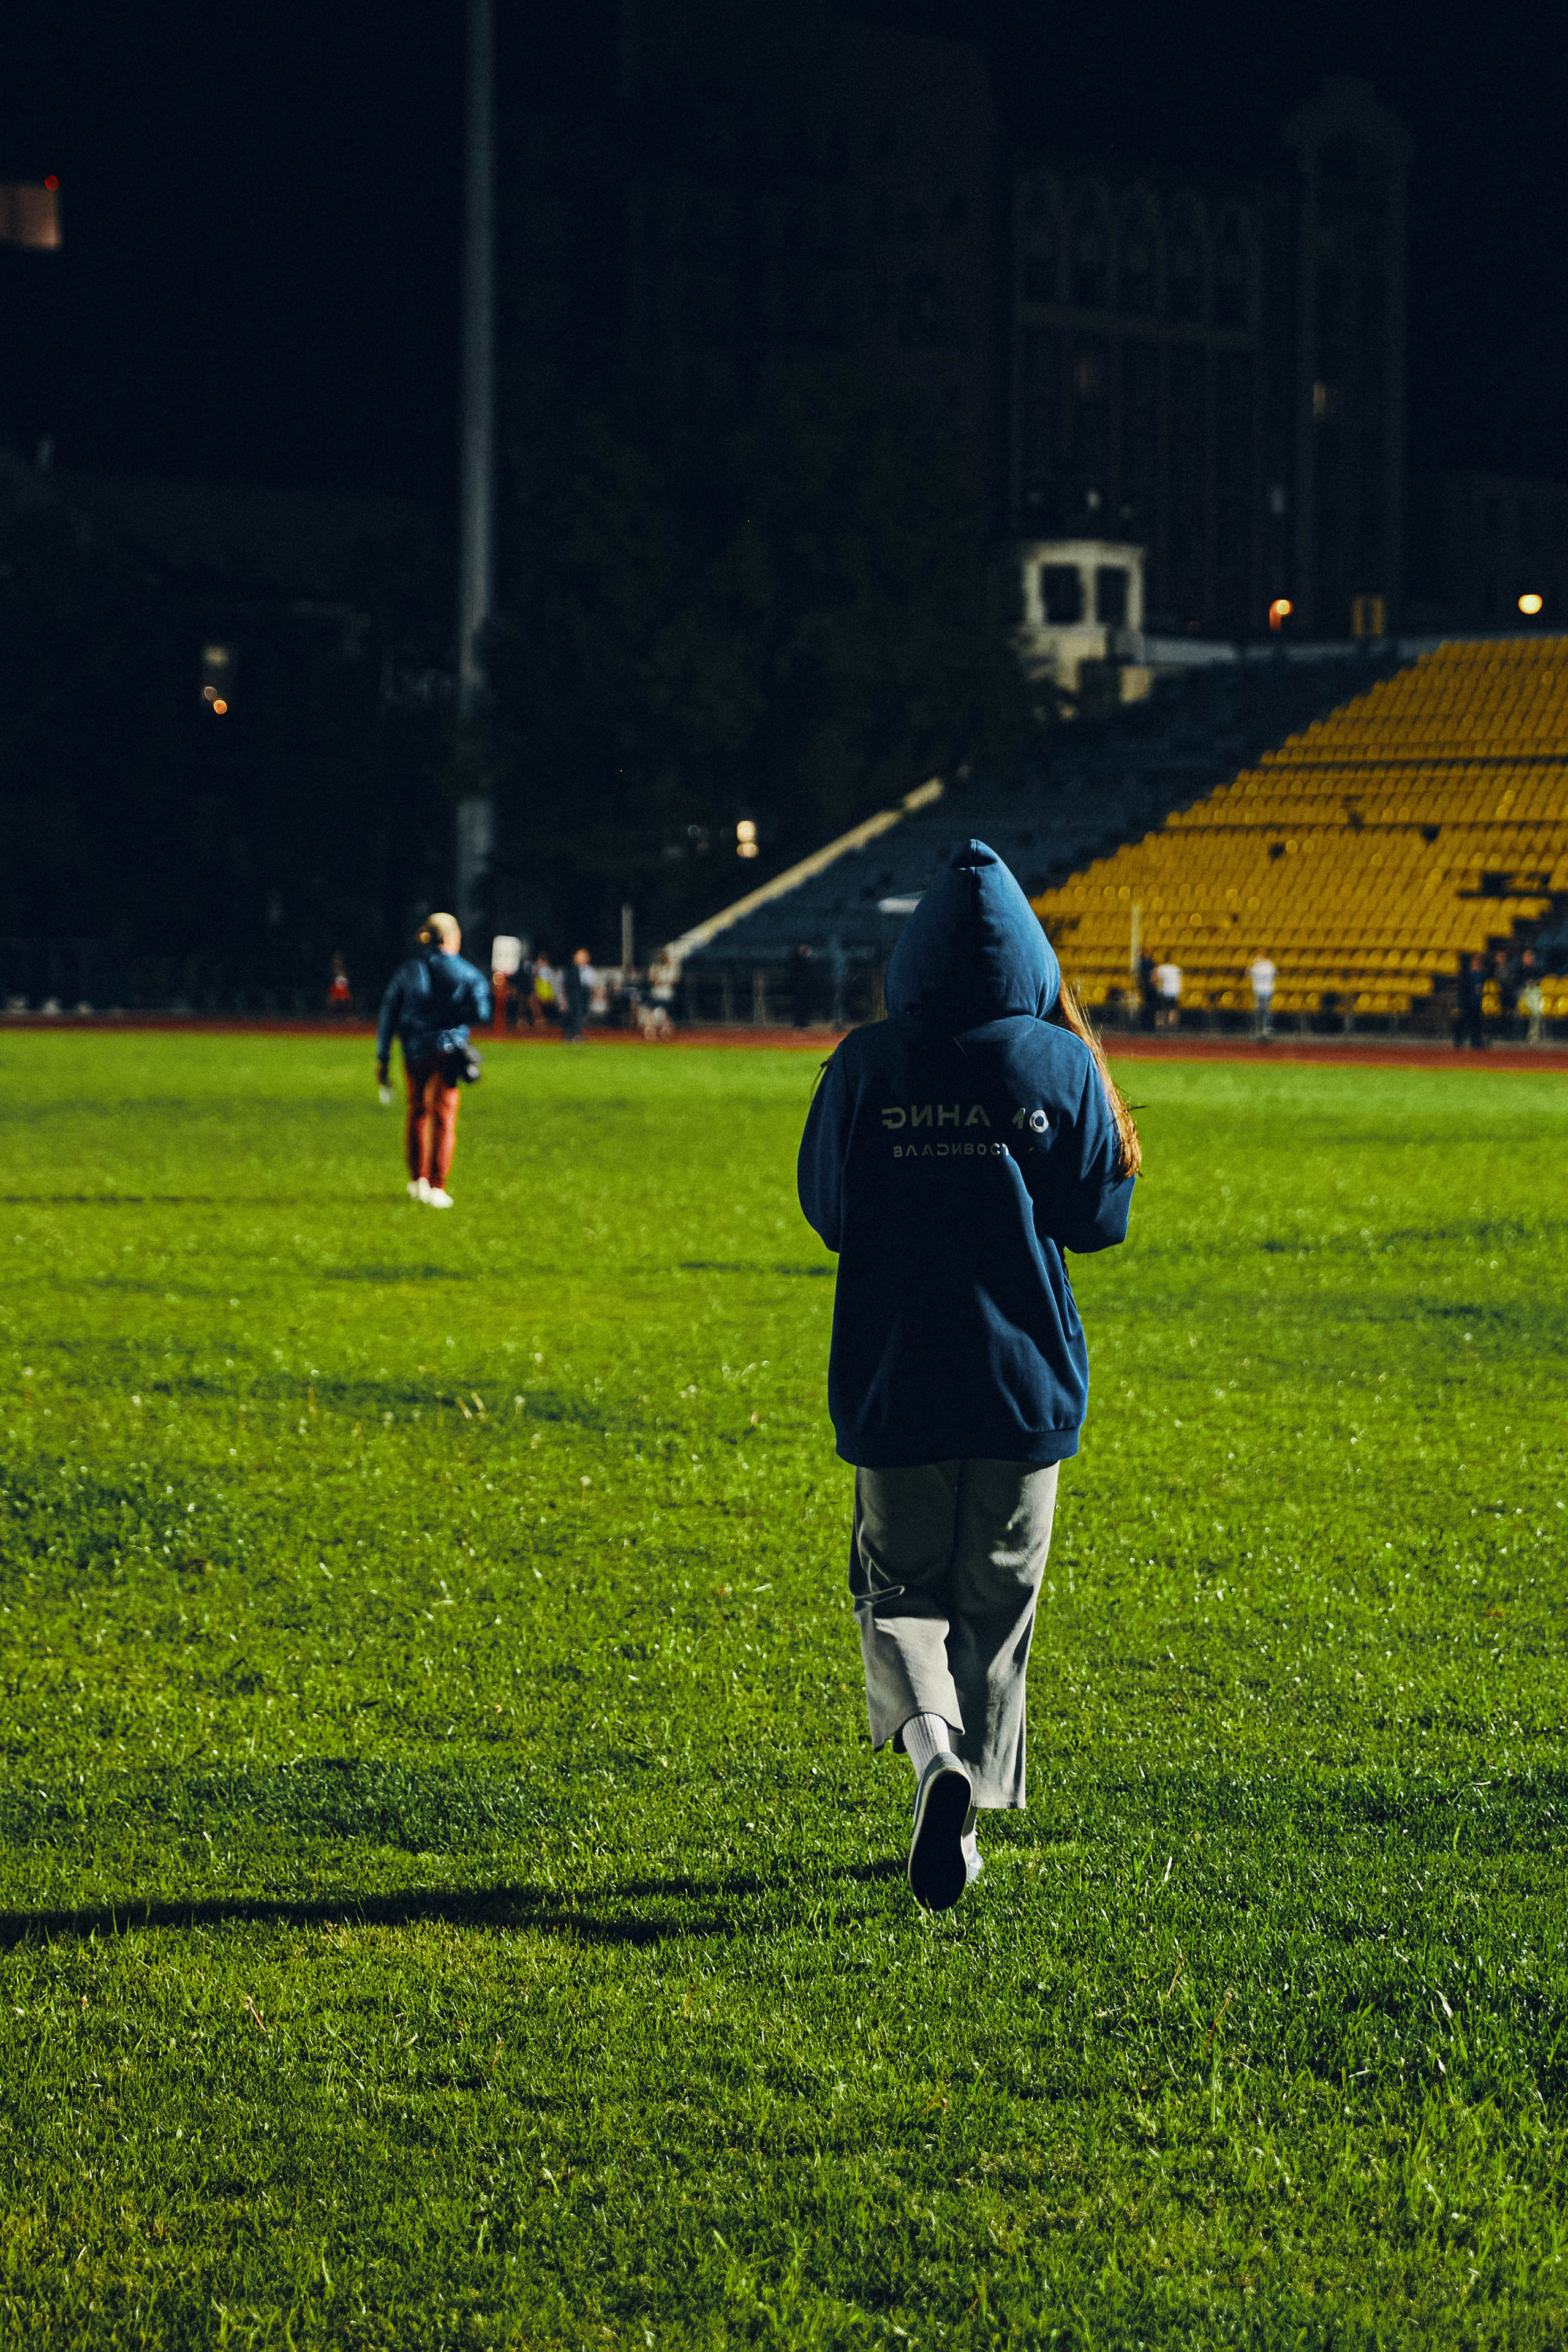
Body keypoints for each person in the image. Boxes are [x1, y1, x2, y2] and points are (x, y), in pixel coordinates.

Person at [797, 839, 1138, 1911]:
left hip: (897, 1376)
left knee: (899, 1590)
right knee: (996, 1599)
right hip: (1021, 1380)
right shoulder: (1061, 1062)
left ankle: (933, 1756)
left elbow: (829, 1212)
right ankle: (972, 1814)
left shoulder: (865, 1062)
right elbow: (1100, 1222)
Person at [375, 913, 491, 1207]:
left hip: (414, 1049)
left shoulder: (408, 970)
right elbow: (482, 1012)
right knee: (444, 1115)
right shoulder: (467, 972)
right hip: (448, 1050)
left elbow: (388, 1013)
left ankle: (417, 1180)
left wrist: (383, 1057)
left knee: (416, 1110)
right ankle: (438, 1184)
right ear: (453, 937)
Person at [561, 946, 593, 1042]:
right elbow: (566, 983)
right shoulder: (571, 969)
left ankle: (575, 1034)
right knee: (573, 1014)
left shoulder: (587, 969)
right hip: (573, 994)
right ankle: (572, 1034)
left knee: (580, 1014)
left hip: (583, 994)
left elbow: (589, 982)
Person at [1453, 954, 1485, 1050]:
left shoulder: (1481, 975)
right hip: (1467, 1002)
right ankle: (1459, 1041)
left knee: (1476, 1023)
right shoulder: (1466, 976)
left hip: (1476, 1002)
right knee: (1464, 1021)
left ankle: (1475, 1041)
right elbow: (1463, 991)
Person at [1517, 948, 1545, 1046]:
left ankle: (1534, 1035)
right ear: (1523, 958)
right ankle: (1520, 1035)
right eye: (1527, 956)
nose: (1529, 958)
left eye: (1531, 956)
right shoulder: (1519, 970)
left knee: (1537, 1012)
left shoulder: (1537, 970)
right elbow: (1517, 983)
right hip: (1523, 993)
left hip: (1534, 993)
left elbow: (1540, 982)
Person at [1245, 949, 1276, 1039]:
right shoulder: (1258, 966)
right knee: (1260, 1011)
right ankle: (1261, 1029)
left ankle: (1266, 1028)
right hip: (1259, 991)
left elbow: (1248, 973)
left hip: (1266, 990)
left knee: (1265, 1010)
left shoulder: (1268, 965)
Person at [789, 942, 815, 1027]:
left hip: (805, 986)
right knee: (799, 1004)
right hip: (799, 986)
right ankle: (799, 1022)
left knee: (805, 1004)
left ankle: (803, 1022)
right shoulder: (798, 959)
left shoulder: (804, 959)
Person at [1152, 955, 1182, 1030]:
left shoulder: (1161, 968)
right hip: (1175, 991)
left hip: (1164, 991)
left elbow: (1154, 978)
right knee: (1173, 1009)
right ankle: (1172, 1024)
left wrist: (1156, 987)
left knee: (1162, 1009)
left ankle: (1161, 1025)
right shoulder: (1177, 968)